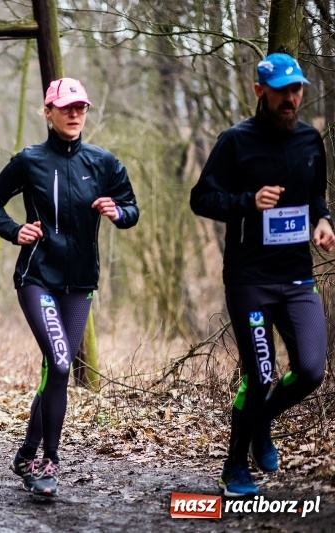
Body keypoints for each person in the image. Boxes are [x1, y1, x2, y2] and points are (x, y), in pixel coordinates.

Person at [0, 78, 139, 496]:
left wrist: (117, 211)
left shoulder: (103, 162)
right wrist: (14, 231)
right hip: (37, 276)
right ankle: (46, 461)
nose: (74, 114)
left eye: (81, 108)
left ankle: (28, 449)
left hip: (80, 281)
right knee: (62, 362)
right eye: (66, 107)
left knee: (57, 368)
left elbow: (132, 208)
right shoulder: (30, 160)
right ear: (47, 112)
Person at [190, 52, 335, 498]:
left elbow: (316, 198)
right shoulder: (235, 141)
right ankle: (235, 466)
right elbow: (202, 199)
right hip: (249, 279)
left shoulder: (311, 141)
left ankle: (261, 422)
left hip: (295, 278)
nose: (291, 98)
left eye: (297, 90)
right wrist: (247, 202)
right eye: (282, 91)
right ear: (260, 92)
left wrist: (324, 222)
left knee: (311, 370)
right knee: (261, 374)